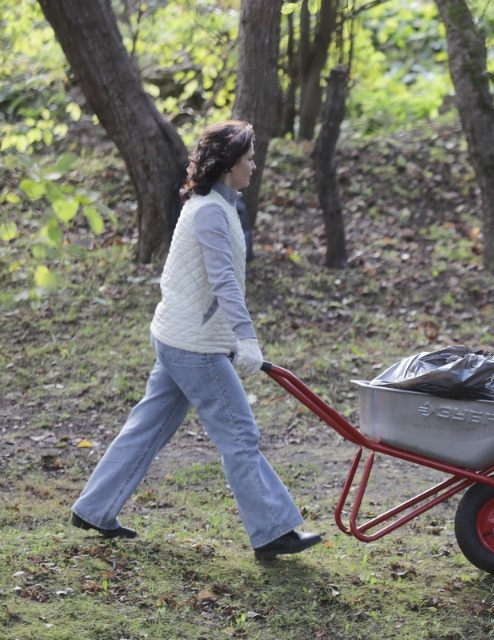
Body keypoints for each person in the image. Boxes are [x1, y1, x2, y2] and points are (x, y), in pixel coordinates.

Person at [71, 120, 321, 561]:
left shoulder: (213, 203)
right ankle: (271, 531)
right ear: (229, 166)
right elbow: (224, 282)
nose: (254, 166)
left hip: (177, 335)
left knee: (149, 424)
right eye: (248, 160)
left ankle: (95, 508)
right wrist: (245, 339)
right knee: (239, 434)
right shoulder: (209, 211)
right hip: (194, 345)